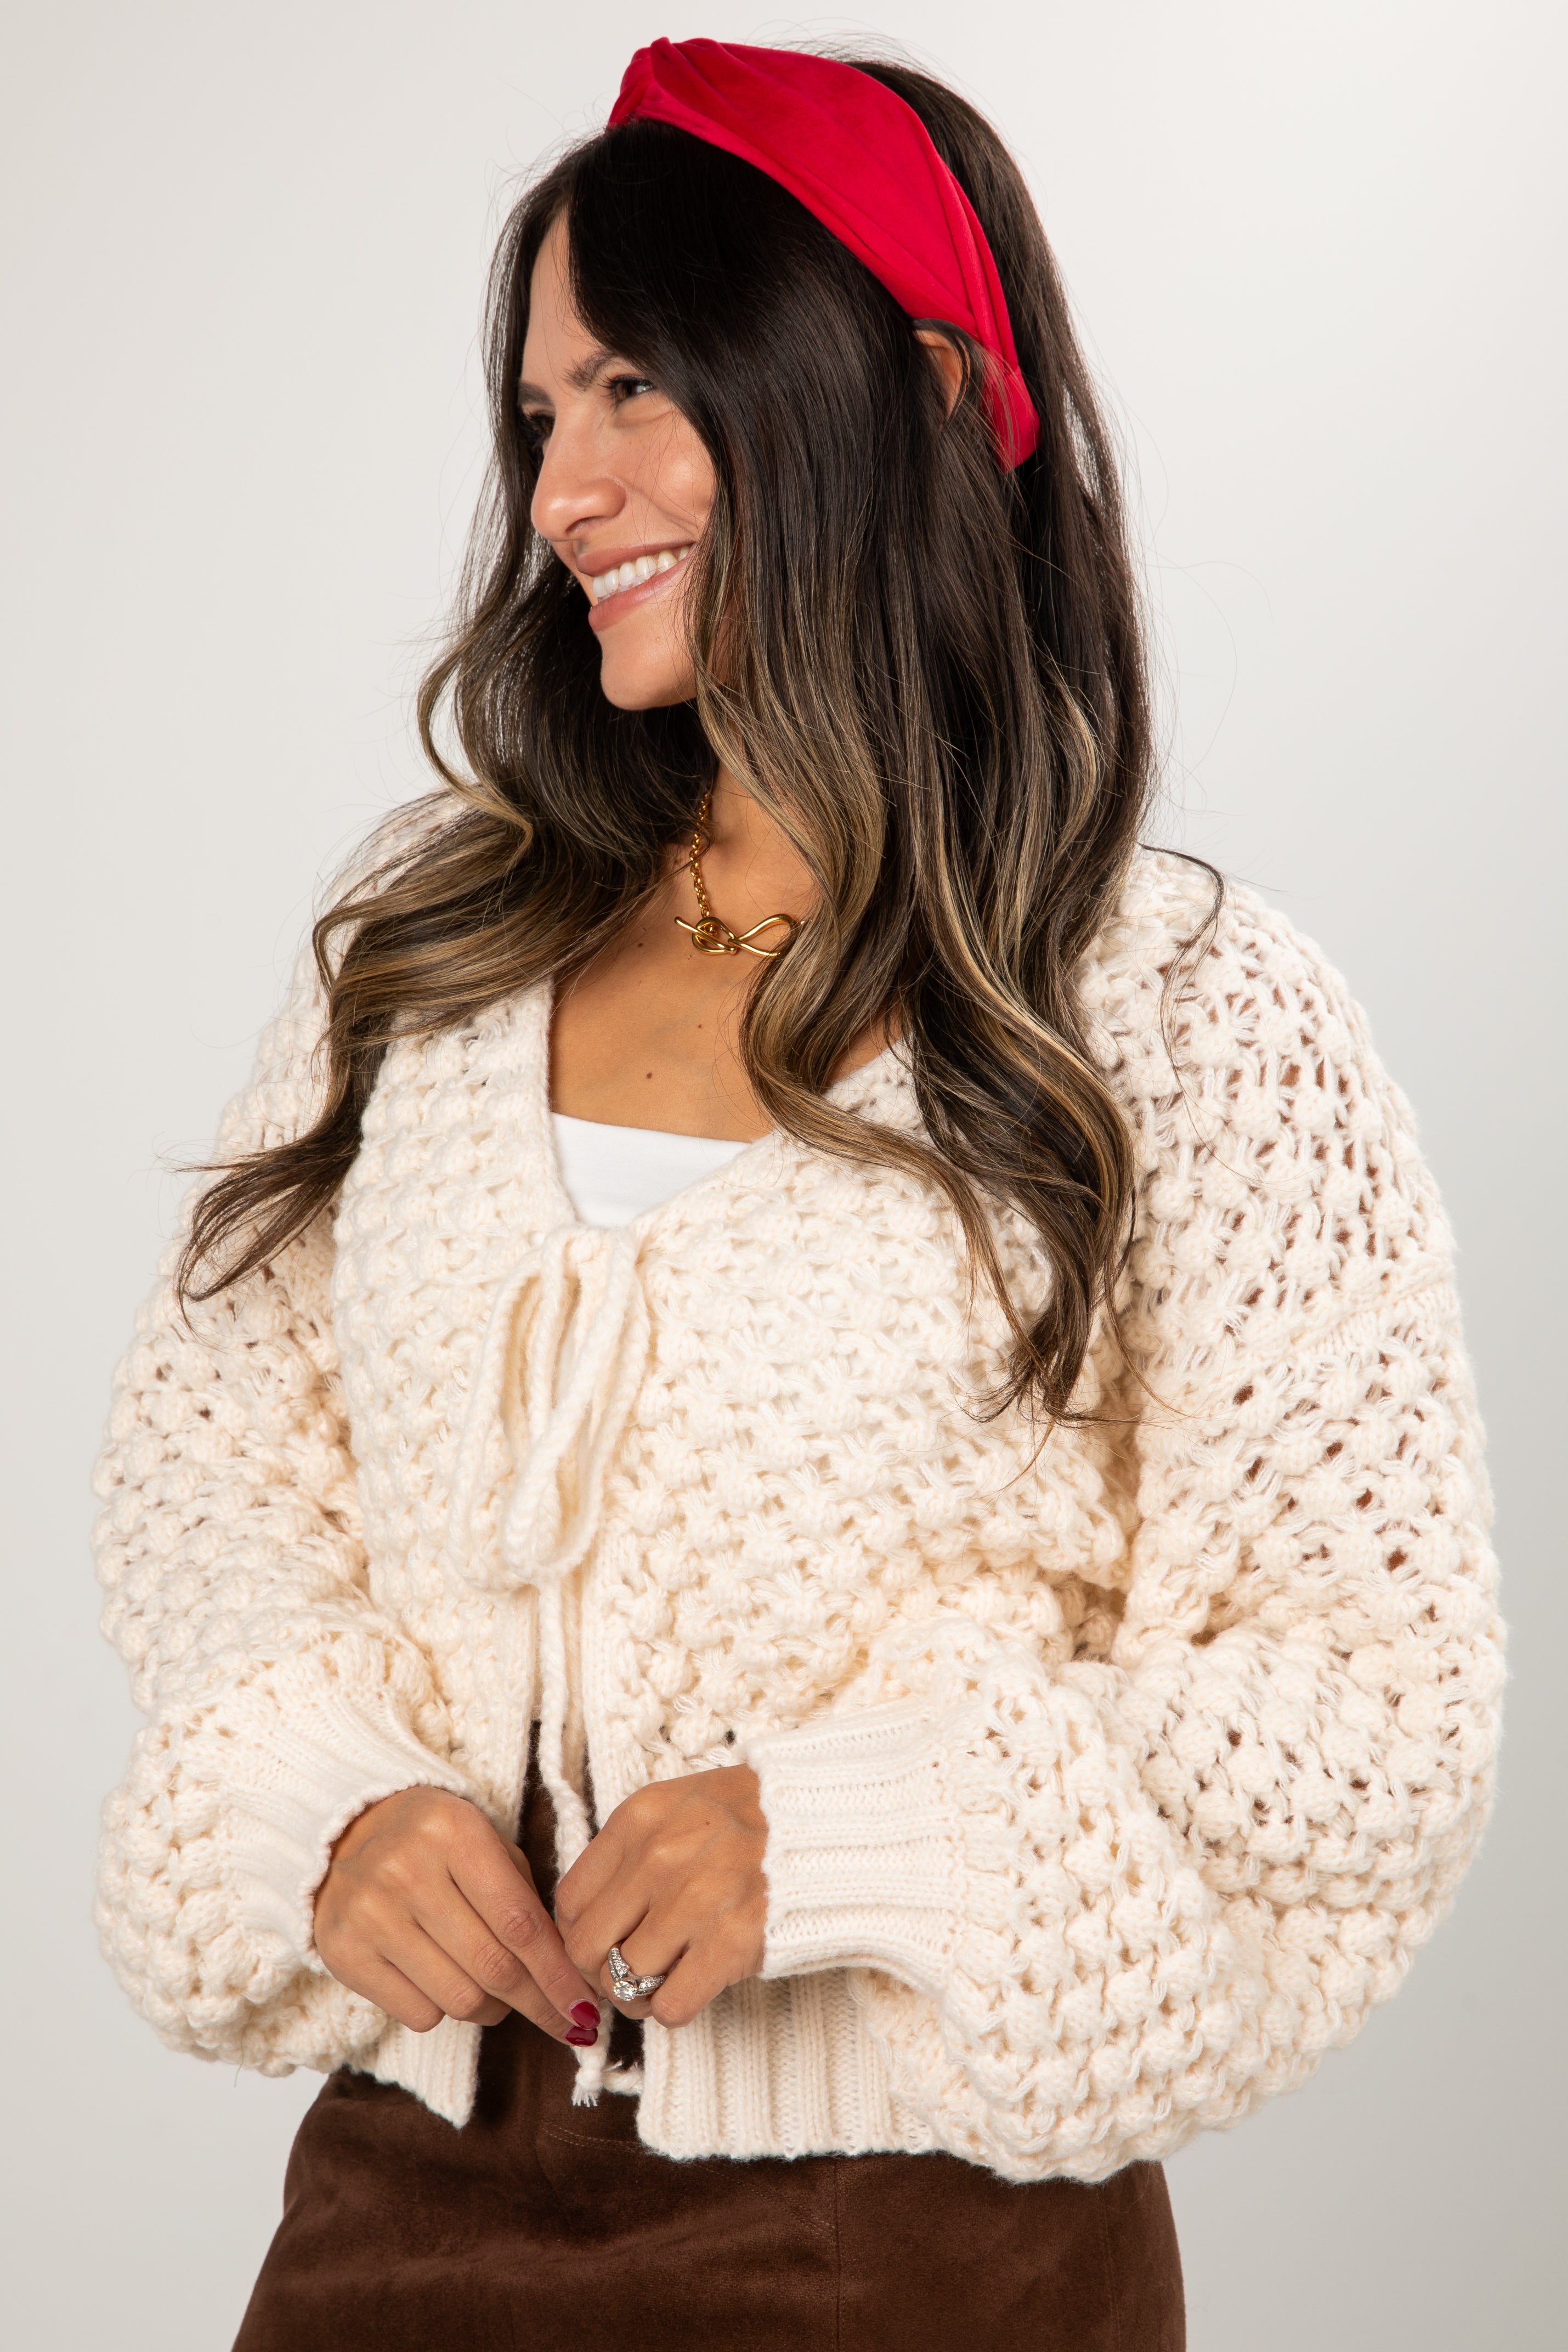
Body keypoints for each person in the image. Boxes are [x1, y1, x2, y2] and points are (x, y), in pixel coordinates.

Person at [92, 38, 1504, 2352]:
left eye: (636, 384)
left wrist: (857, 1839)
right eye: (539, 411)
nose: (563, 487)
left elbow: (1373, 1712)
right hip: (403, 2214)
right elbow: (216, 1476)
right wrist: (328, 1802)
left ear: (909, 392)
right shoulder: (431, 959)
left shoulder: (1178, 1013)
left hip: (929, 2252)